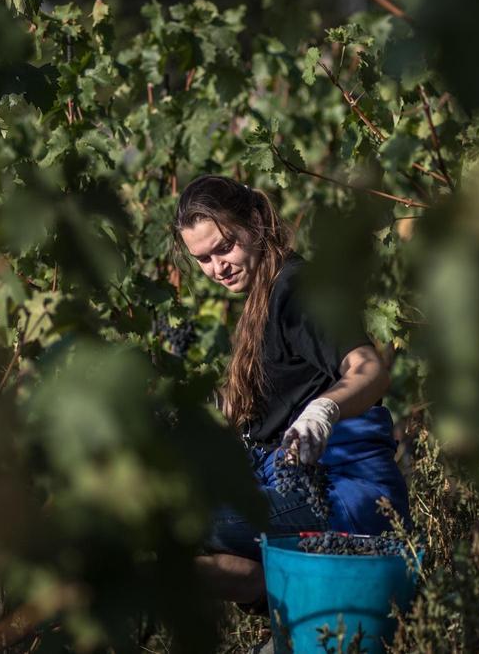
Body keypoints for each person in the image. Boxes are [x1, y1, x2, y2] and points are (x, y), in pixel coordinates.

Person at [173, 174, 410, 608]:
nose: (217, 268)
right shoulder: (264, 298)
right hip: (301, 495)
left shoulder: (296, 290)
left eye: (225, 247)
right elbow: (256, 407)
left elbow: (369, 368)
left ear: (258, 220)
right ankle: (280, 607)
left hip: (343, 496)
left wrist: (324, 410)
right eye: (203, 259)